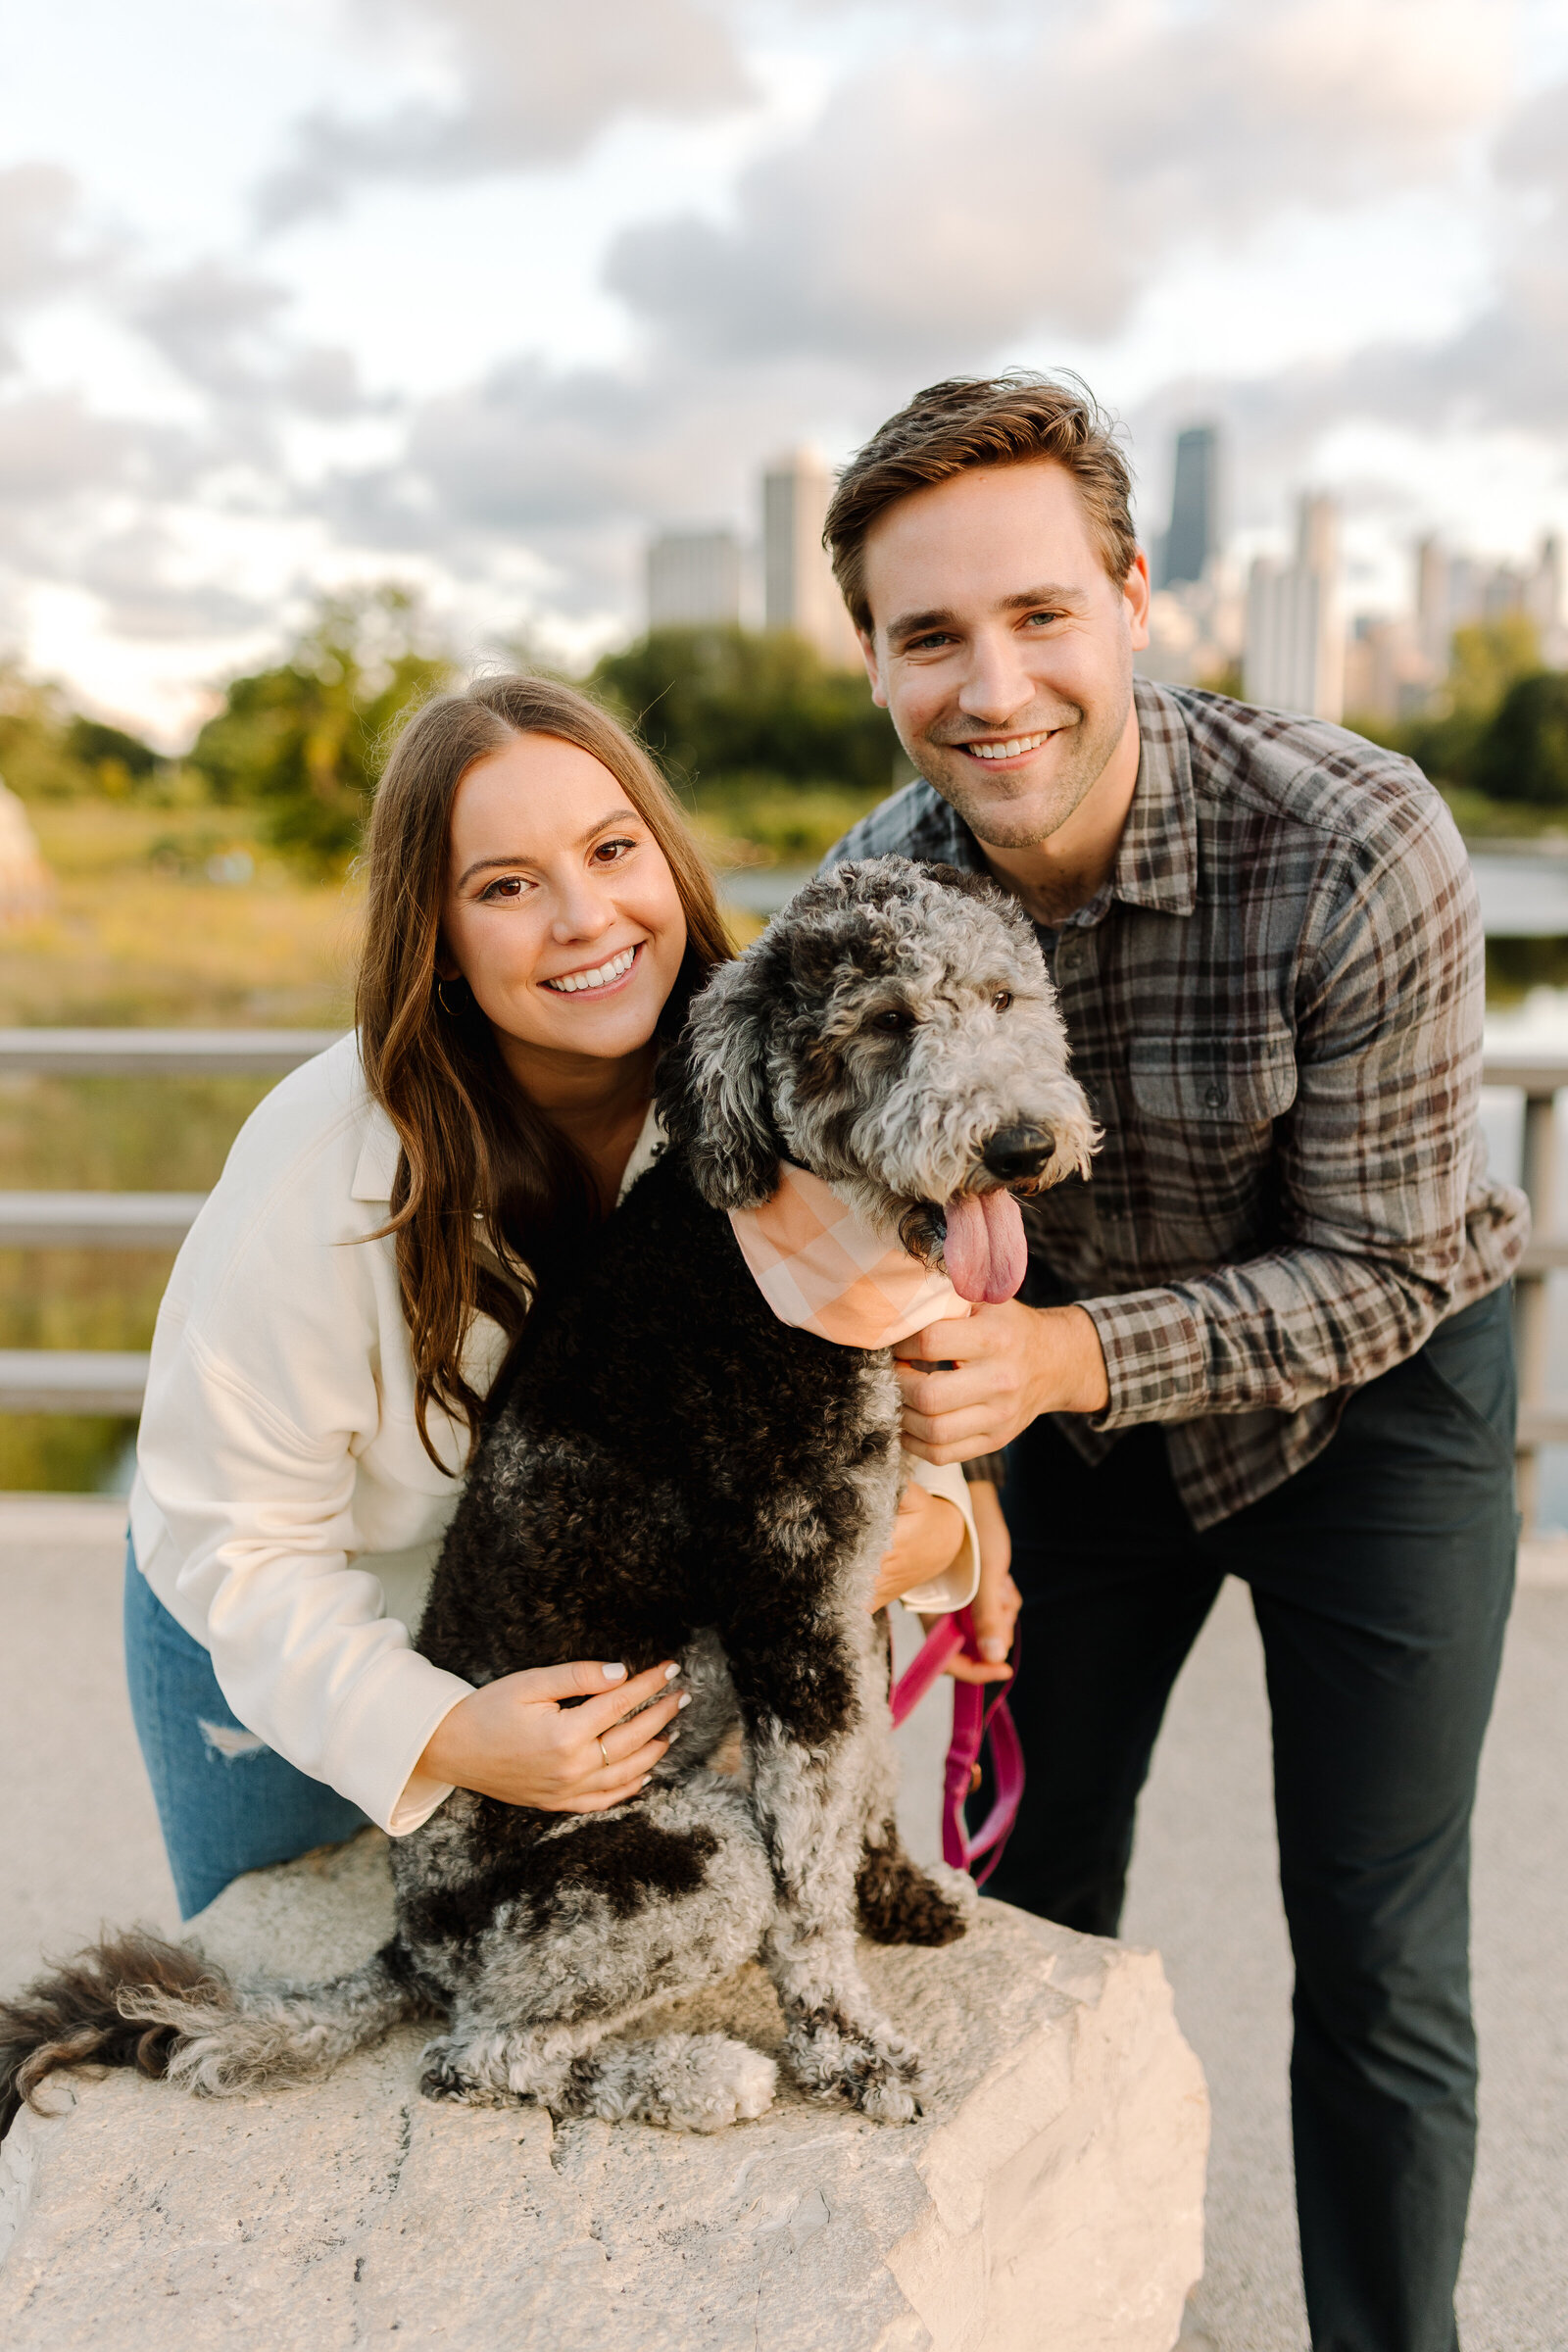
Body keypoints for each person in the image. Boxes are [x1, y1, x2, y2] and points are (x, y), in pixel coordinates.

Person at [821, 374, 1527, 2352]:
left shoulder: (1354, 837)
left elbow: (1379, 1266)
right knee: (1014, 1903)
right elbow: (840, 1248)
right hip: (1074, 1443)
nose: (991, 685)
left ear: (1133, 597)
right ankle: (1044, 2311)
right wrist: (934, 1443)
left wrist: (1056, 1355)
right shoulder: (871, 906)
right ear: (870, 660)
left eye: (1039, 613)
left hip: (1377, 1402)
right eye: (929, 634)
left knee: (1377, 1953)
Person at [125, 673, 980, 1925]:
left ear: (667, 857)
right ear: (441, 937)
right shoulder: (323, 1166)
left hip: (592, 1626)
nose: (586, 917)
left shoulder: (788, 1081)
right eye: (506, 886)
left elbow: (877, 1360)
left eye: (610, 848)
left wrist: (944, 1521)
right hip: (299, 1621)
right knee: (293, 1977)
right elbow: (237, 1538)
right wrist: (444, 1728)